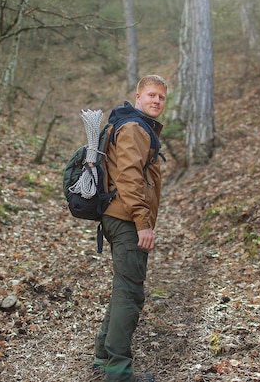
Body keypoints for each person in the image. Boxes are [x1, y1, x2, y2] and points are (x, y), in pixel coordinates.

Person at [93, 75, 167, 382]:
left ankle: (103, 358)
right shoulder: (135, 128)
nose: (156, 101)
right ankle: (119, 372)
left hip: (116, 216)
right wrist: (143, 223)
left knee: (123, 288)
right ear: (137, 97)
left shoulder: (129, 124)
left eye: (162, 97)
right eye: (151, 95)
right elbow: (129, 178)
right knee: (130, 293)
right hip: (126, 219)